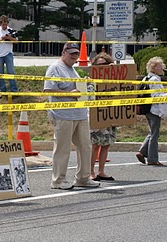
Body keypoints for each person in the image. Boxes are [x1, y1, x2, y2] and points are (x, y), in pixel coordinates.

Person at [43, 42, 100, 190]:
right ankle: (58, 180)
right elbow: (48, 90)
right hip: (63, 114)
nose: (74, 57)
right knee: (62, 148)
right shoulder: (55, 68)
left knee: (85, 146)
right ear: (64, 52)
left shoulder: (72, 69)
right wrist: (69, 93)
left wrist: (85, 85)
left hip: (79, 113)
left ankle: (83, 178)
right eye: (72, 54)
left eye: (76, 54)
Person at [136, 56, 167, 166]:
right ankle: (152, 159)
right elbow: (156, 96)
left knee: (152, 132)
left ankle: (142, 152)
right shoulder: (155, 80)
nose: (162, 68)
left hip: (147, 108)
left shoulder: (146, 78)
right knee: (155, 134)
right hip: (154, 109)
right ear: (154, 68)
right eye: (160, 66)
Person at [89, 53, 116, 181]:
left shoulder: (114, 79)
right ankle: (90, 172)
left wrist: (114, 69)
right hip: (96, 114)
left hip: (110, 115)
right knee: (95, 144)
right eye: (99, 65)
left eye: (105, 64)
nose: (102, 67)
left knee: (106, 144)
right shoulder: (91, 79)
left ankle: (101, 171)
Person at [0, 15, 18, 98]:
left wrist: (9, 37)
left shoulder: (11, 30)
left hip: (8, 53)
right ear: (0, 23)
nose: (5, 26)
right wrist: (1, 39)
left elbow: (16, 41)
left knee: (11, 72)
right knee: (0, 73)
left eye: (6, 24)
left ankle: (14, 91)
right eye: (3, 24)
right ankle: (2, 91)